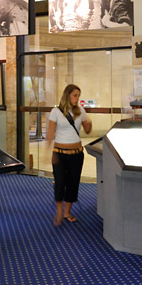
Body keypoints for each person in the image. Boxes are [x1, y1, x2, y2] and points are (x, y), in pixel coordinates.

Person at [46, 84, 92, 226]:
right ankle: (59, 212)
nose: (77, 98)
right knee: (60, 183)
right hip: (60, 154)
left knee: (73, 184)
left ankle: (67, 212)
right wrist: (48, 152)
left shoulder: (81, 111)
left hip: (76, 154)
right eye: (75, 95)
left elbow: (88, 130)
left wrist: (89, 121)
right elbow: (50, 133)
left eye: (78, 95)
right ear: (67, 95)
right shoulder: (56, 111)